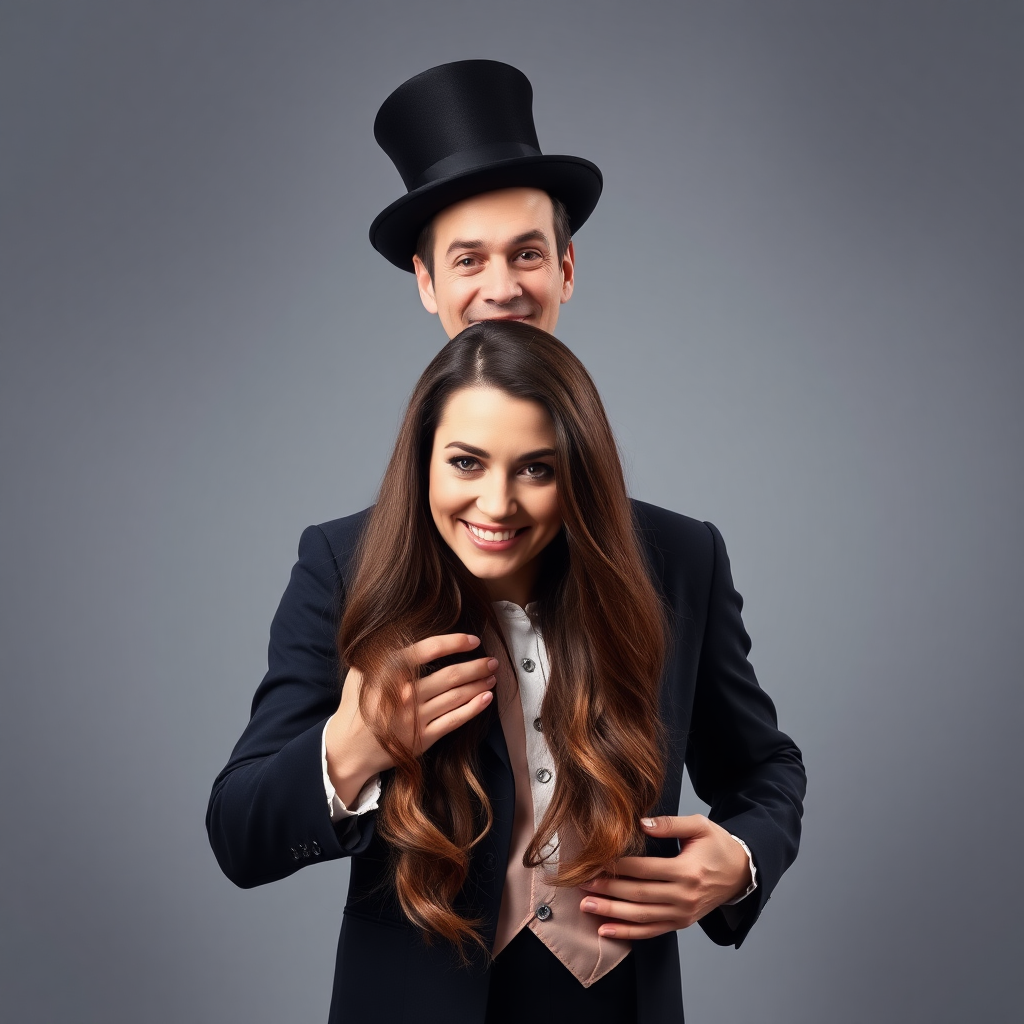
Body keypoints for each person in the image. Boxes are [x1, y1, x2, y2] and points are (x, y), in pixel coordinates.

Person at [207, 62, 805, 1024]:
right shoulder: (341, 561)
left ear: (567, 268)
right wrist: (348, 751)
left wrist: (737, 862)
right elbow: (238, 833)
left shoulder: (683, 557)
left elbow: (765, 767)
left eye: (527, 254)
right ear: (427, 282)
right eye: (468, 259)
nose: (502, 288)